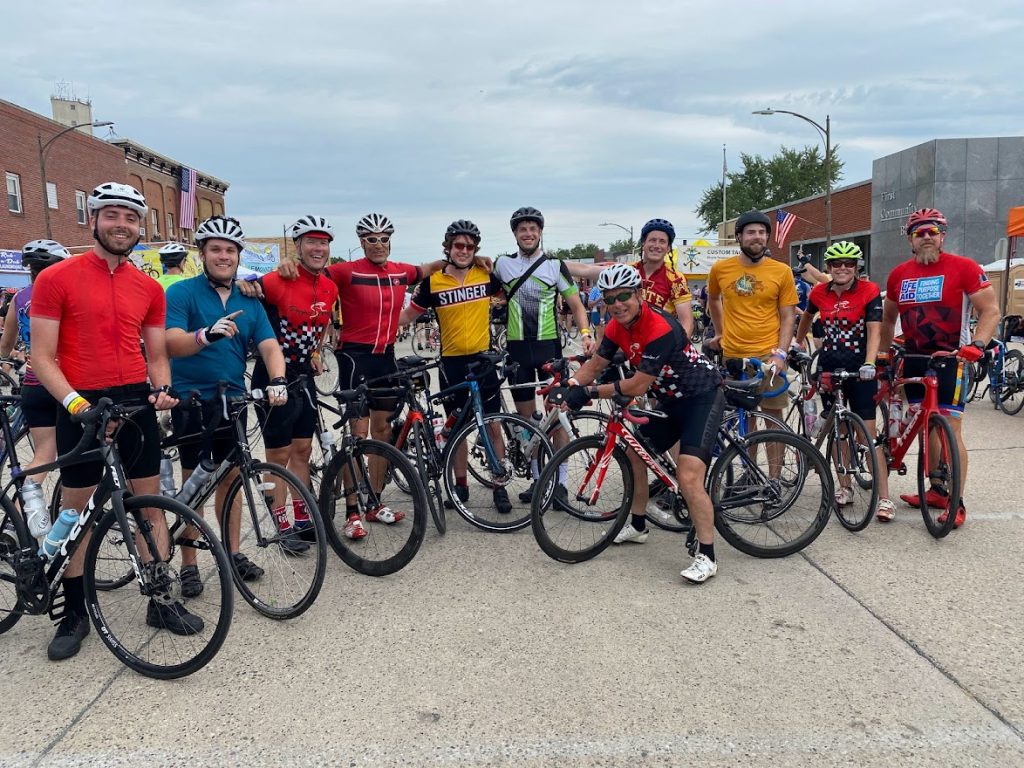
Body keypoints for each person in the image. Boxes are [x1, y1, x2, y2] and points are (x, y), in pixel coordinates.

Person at [243, 213, 487, 539]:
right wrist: (287, 260)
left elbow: (427, 269)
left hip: (385, 358)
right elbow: (308, 274)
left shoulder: (401, 271)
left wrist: (474, 258)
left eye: (384, 238)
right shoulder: (344, 271)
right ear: (361, 242)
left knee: (381, 433)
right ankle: (352, 511)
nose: (379, 244)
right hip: (354, 359)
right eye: (371, 239)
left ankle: (374, 502)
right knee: (356, 438)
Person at [30, 182, 195, 662]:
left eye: (131, 218)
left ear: (138, 228)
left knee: (150, 506)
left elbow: (156, 351)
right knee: (78, 511)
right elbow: (42, 357)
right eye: (113, 215)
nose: (122, 224)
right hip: (80, 402)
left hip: (134, 402)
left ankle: (160, 599)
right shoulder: (56, 277)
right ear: (94, 219)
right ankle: (74, 611)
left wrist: (161, 387)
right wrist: (76, 405)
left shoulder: (146, 285)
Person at [548, 264, 725, 583]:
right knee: (634, 453)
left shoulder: (659, 327)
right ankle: (639, 525)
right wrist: (572, 386)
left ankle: (707, 555)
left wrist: (588, 392)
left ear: (640, 294)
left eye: (624, 296)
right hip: (671, 401)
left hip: (702, 397)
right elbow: (595, 364)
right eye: (610, 298)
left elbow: (636, 386)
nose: (617, 304)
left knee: (688, 475)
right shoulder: (616, 326)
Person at [165, 215, 291, 593]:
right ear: (201, 254)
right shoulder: (182, 293)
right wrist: (206, 335)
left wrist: (278, 380)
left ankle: (233, 552)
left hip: (232, 398)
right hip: (191, 400)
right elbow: (170, 343)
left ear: (238, 255)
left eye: (230, 250)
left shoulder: (248, 299)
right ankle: (189, 563)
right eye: (216, 249)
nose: (223, 256)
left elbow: (269, 345)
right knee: (194, 483)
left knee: (233, 479)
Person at [878, 207, 1000, 528]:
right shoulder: (898, 275)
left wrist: (978, 344)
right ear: (911, 240)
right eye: (919, 232)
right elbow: (888, 318)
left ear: (942, 235)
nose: (927, 236)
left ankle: (956, 501)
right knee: (925, 427)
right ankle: (936, 489)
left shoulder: (964, 268)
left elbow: (990, 310)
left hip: (952, 360)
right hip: (914, 360)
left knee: (949, 428)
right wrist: (885, 351)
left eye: (932, 230)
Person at [398, 220, 512, 514]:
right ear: (447, 247)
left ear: (476, 250)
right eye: (458, 245)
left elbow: (507, 297)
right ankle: (461, 484)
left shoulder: (486, 274)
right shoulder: (433, 281)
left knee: (492, 424)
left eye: (470, 246)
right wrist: (376, 326)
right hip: (452, 363)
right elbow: (409, 315)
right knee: (456, 425)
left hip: (483, 359)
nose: (463, 250)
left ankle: (499, 483)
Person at [494, 207, 594, 500]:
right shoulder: (502, 265)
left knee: (557, 416)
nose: (528, 233)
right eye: (522, 229)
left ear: (540, 232)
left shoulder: (554, 265)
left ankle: (560, 482)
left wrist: (586, 335)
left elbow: (576, 305)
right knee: (530, 424)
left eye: (533, 229)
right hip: (517, 352)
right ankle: (540, 481)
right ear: (515, 234)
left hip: (549, 348)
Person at [252, 215, 338, 542]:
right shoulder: (277, 279)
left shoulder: (329, 285)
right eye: (312, 241)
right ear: (298, 245)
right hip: (273, 375)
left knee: (303, 449)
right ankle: (280, 522)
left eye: (324, 242)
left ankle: (302, 516)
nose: (319, 248)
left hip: (303, 376)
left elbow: (323, 323)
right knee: (279, 454)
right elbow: (242, 287)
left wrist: (315, 354)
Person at [793, 241, 891, 516]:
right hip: (828, 369)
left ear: (857, 267)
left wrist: (870, 362)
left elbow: (874, 330)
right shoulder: (818, 292)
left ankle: (884, 497)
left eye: (850, 263)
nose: (843, 268)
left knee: (868, 436)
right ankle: (845, 485)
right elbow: (807, 317)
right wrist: (798, 344)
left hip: (861, 370)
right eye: (837, 264)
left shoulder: (868, 290)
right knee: (840, 431)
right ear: (828, 268)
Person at [706, 210, 798, 422]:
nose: (757, 236)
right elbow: (713, 299)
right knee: (744, 417)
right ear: (739, 236)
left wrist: (781, 354)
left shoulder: (782, 271)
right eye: (750, 232)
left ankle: (778, 458)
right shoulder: (720, 269)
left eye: (762, 232)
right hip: (735, 355)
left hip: (769, 355)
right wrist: (720, 332)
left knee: (773, 417)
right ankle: (748, 457)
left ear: (767, 236)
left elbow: (788, 317)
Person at [0, 240, 69, 491]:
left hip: (34, 382)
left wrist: (9, 357)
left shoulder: (19, 298)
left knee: (43, 456)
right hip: (67, 386)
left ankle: (18, 517)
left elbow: (6, 343)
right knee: (83, 457)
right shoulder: (65, 294)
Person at [567, 219, 694, 336]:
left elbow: (686, 323)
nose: (656, 245)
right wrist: (553, 264)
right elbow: (587, 269)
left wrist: (679, 351)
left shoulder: (676, 279)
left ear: (668, 248)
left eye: (662, 241)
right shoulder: (628, 271)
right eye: (652, 240)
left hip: (659, 342)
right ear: (643, 244)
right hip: (627, 341)